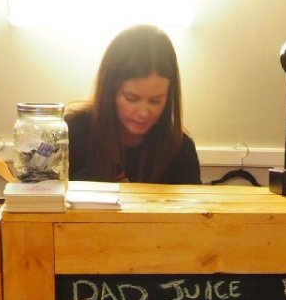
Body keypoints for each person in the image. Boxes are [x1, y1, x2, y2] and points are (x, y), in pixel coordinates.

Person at [67, 25, 201, 185]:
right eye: (131, 98)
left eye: (155, 101)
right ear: (110, 90)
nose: (143, 113)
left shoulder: (179, 147)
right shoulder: (72, 133)